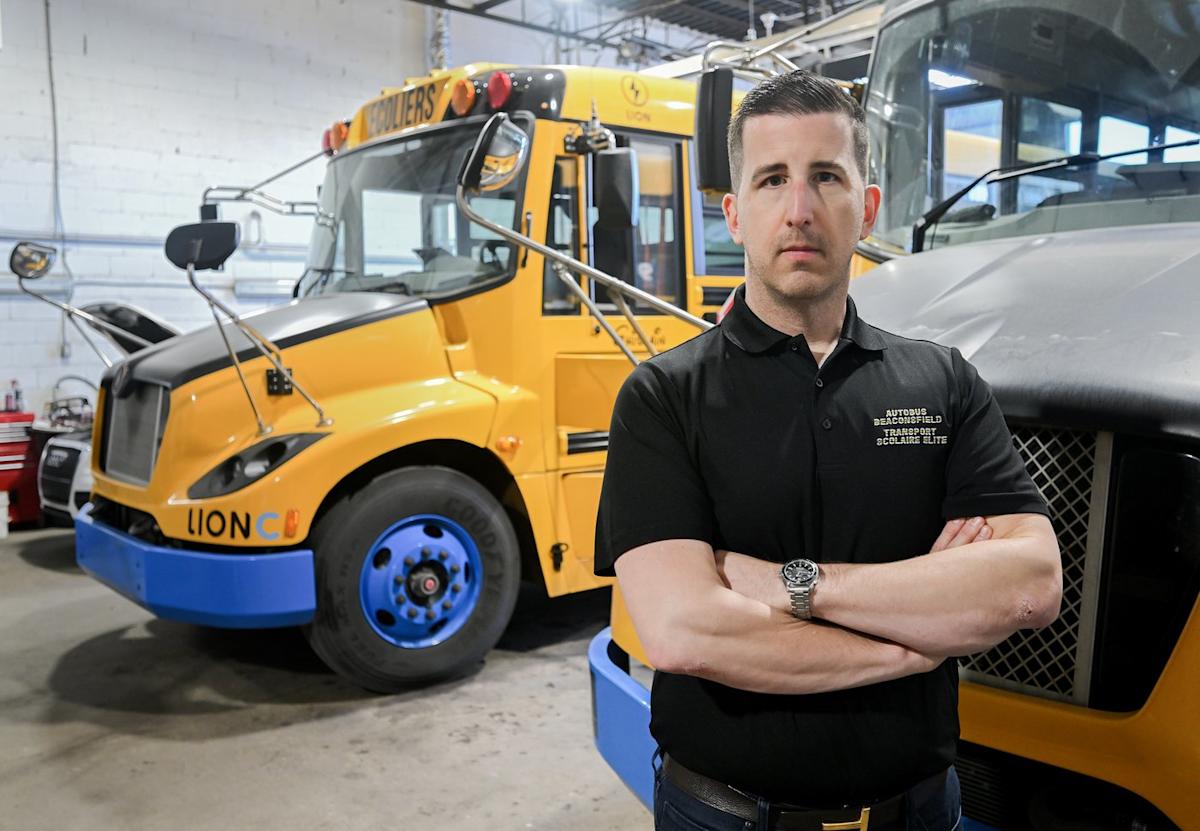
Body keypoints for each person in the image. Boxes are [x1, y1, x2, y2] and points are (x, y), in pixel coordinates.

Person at [594, 70, 1062, 831]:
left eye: (826, 177)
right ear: (735, 213)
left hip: (917, 814)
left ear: (866, 207)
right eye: (772, 179)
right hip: (724, 816)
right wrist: (912, 647)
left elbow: (1032, 584)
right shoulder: (663, 396)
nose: (800, 210)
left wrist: (789, 584)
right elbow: (684, 631)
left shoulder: (943, 381)